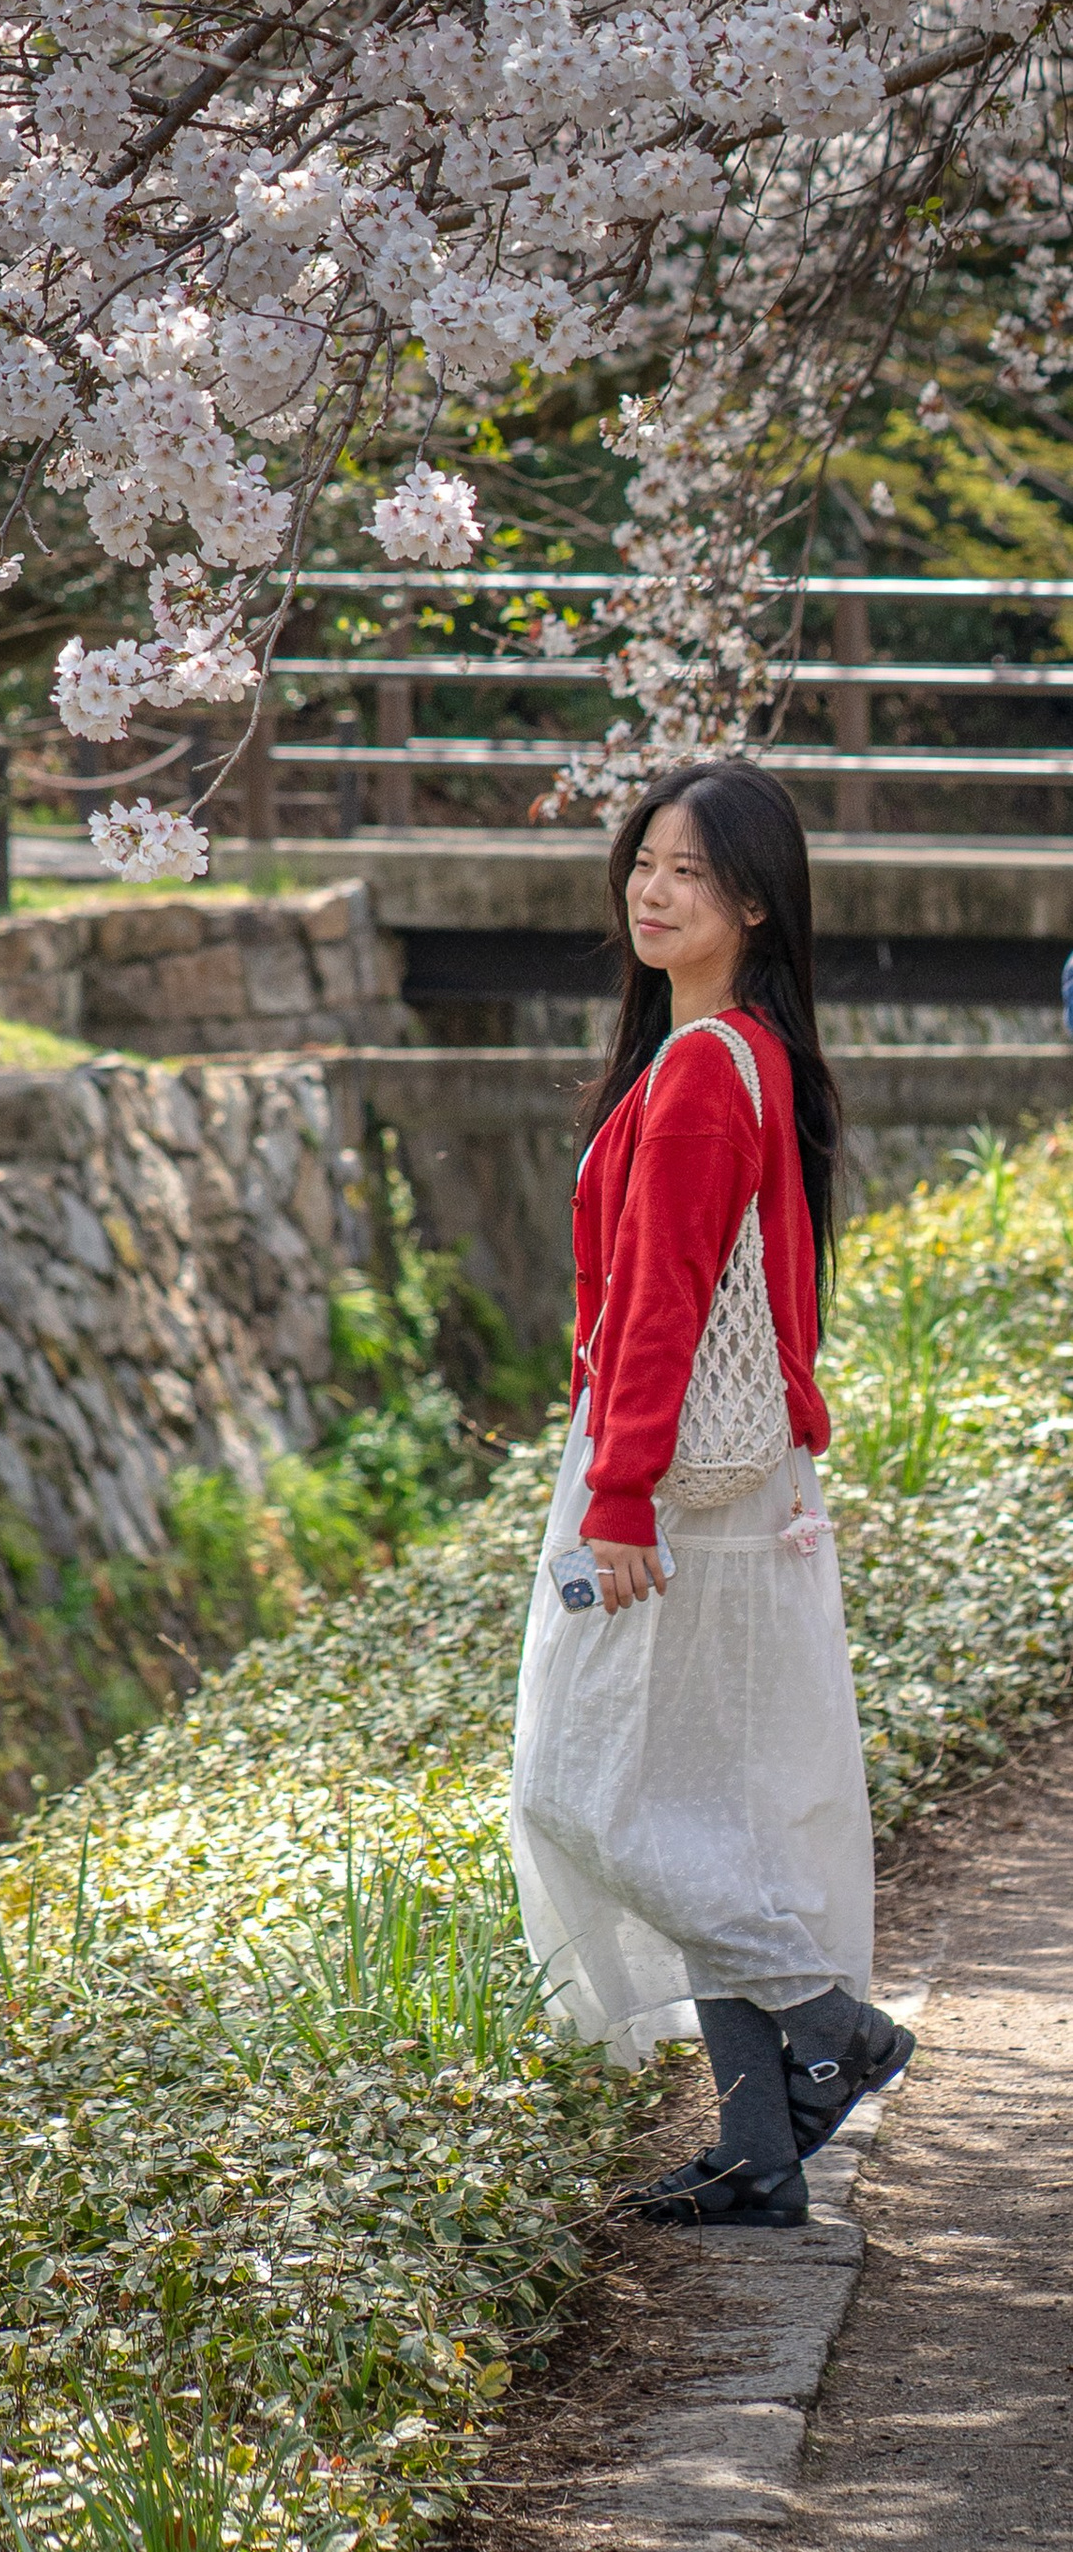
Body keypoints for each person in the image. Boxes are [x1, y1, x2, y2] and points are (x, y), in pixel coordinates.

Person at [509, 760, 914, 2227]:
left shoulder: (697, 1071)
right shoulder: (751, 1054)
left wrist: (617, 1495)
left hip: (673, 1476)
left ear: (753, 901)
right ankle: (761, 2139)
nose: (652, 888)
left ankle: (836, 2032)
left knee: (585, 1783)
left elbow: (664, 1303)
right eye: (643, 861)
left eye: (688, 870)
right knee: (709, 1796)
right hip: (744, 1474)